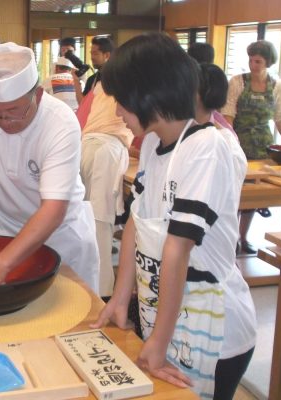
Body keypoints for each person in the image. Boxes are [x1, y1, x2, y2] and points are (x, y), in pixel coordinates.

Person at [92, 33, 256, 399]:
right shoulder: (152, 143)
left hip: (213, 330)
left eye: (121, 100)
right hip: (166, 320)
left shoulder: (206, 147)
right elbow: (137, 221)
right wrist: (120, 298)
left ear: (148, 94)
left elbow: (177, 248)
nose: (117, 111)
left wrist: (159, 341)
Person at [0, 42, 99, 291]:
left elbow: (53, 207)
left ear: (38, 95)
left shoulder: (60, 122)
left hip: (59, 235)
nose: (4, 121)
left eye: (14, 111)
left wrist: (3, 263)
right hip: (3, 228)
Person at [222, 40, 281, 255]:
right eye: (251, 60)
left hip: (262, 143)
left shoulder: (277, 86)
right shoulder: (237, 82)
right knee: (235, 193)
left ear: (268, 62)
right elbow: (228, 113)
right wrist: (230, 140)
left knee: (255, 195)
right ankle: (230, 238)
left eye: (258, 61)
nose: (253, 64)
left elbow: (279, 116)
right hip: (239, 139)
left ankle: (243, 236)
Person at [79, 38, 133, 299]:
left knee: (85, 219)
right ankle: (101, 293)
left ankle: (87, 285)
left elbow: (82, 117)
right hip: (106, 150)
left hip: (86, 146)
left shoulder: (103, 81)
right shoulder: (128, 82)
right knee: (100, 223)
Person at [78, 36, 113, 101]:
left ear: (107, 55)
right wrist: (76, 81)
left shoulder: (117, 78)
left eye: (95, 54)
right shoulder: (92, 79)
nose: (92, 57)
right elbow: (83, 104)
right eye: (91, 53)